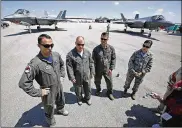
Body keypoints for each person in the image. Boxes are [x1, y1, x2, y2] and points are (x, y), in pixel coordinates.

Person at [19, 34, 68, 126]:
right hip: (48, 91)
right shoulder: (35, 63)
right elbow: (23, 83)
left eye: (51, 45)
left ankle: (60, 109)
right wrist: (39, 92)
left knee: (61, 99)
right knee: (49, 108)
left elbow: (62, 64)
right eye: (46, 46)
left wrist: (62, 76)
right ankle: (51, 122)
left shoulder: (56, 55)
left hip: (59, 85)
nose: (50, 48)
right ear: (39, 46)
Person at [66, 36, 95, 106]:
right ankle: (79, 98)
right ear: (75, 43)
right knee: (78, 89)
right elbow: (69, 67)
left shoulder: (87, 52)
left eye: (82, 45)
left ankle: (87, 98)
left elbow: (91, 62)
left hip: (86, 75)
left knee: (87, 88)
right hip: (77, 76)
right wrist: (72, 77)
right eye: (79, 44)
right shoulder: (70, 55)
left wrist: (92, 72)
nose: (81, 46)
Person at [92, 32, 116, 100]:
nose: (103, 40)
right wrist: (93, 70)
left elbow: (113, 58)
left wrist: (111, 68)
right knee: (97, 81)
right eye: (102, 38)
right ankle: (98, 90)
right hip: (98, 69)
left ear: (107, 39)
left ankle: (109, 93)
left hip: (107, 69)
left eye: (104, 39)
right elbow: (93, 61)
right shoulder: (96, 49)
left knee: (110, 82)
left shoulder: (111, 48)